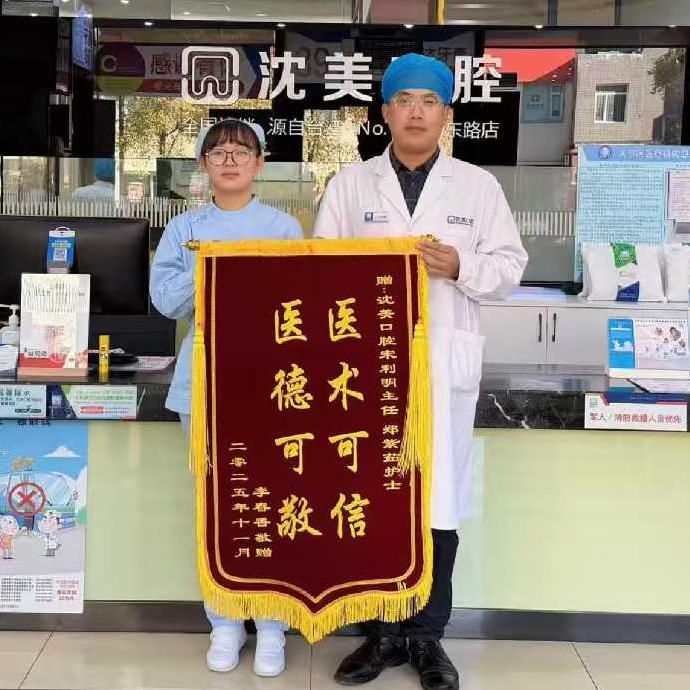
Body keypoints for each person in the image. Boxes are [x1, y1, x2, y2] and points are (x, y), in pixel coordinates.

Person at [314, 53, 528, 690]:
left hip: (441, 371)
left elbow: (509, 268)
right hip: (365, 374)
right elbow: (318, 269)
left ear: (446, 115)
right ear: (384, 112)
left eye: (429, 101)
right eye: (404, 100)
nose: (416, 112)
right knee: (375, 500)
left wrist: (460, 265)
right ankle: (382, 636)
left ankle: (428, 639)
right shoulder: (350, 185)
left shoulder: (478, 187)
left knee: (439, 504)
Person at [150, 119, 302, 678]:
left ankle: (272, 624)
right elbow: (166, 301)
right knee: (215, 506)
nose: (231, 160)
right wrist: (211, 266)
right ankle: (224, 621)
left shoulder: (284, 228)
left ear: (260, 164)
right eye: (218, 152)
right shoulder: (184, 229)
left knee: (271, 500)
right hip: (205, 382)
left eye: (242, 151)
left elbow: (303, 302)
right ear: (204, 165)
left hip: (273, 383)